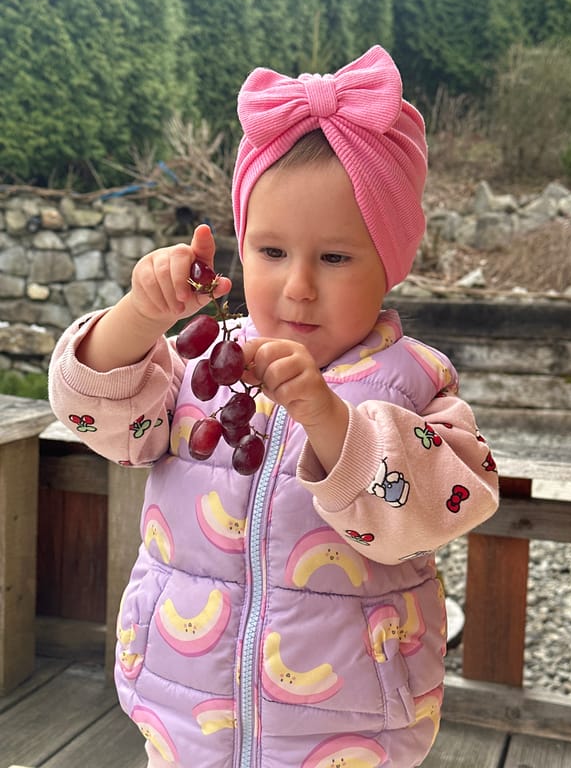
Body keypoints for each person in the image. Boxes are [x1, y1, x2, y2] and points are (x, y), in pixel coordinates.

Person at [49, 45, 499, 768]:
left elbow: (440, 507)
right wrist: (139, 316)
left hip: (352, 730)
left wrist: (330, 420)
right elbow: (93, 412)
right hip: (183, 709)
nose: (297, 287)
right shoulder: (205, 368)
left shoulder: (417, 383)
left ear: (391, 262)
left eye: (335, 258)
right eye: (270, 251)